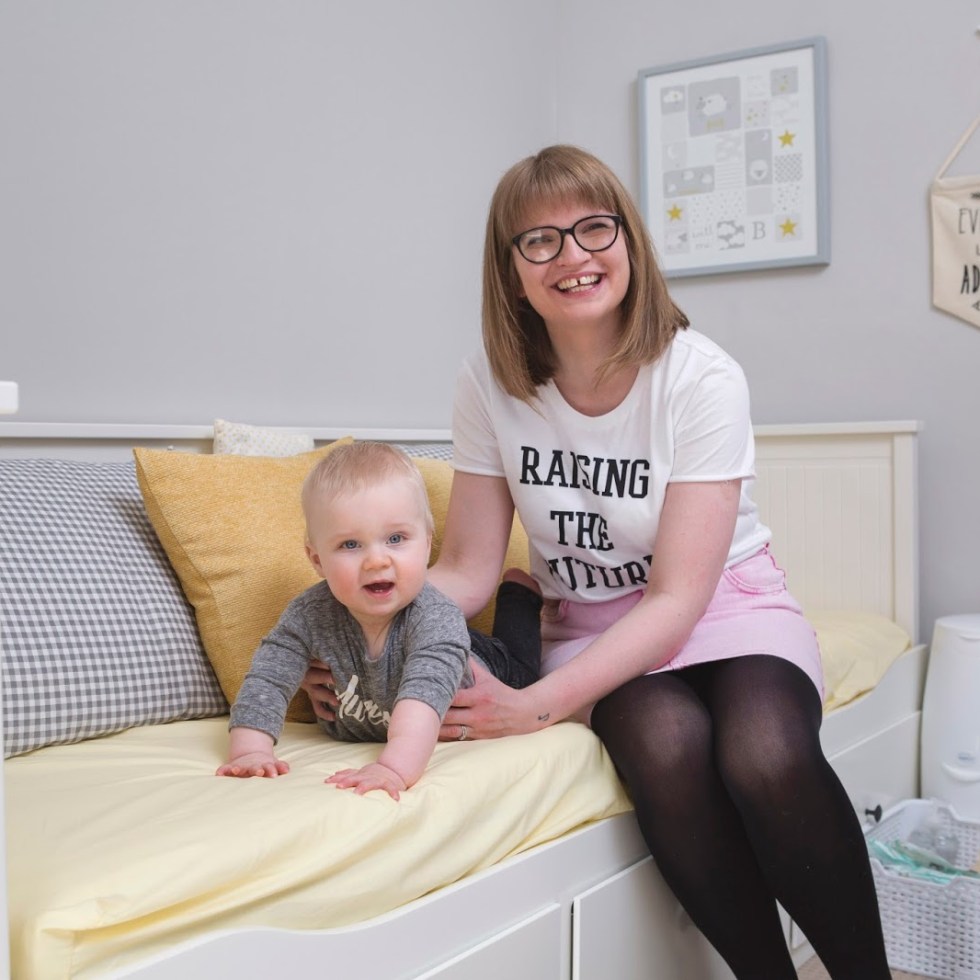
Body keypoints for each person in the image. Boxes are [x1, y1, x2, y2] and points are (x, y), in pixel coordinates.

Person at [303, 145, 891, 978]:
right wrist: (353, 636)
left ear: (629, 242)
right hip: (588, 623)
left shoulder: (700, 377)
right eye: (539, 240)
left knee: (765, 753)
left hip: (724, 607)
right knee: (665, 745)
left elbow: (678, 598)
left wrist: (535, 706)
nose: (572, 255)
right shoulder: (489, 384)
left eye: (593, 229)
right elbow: (469, 567)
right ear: (511, 272)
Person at [218, 441, 541, 800]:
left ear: (426, 544)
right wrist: (250, 749)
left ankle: (520, 598)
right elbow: (268, 677)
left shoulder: (436, 619)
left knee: (523, 668)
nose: (376, 560)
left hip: (483, 667)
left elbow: (421, 702)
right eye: (350, 545)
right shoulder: (308, 614)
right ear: (317, 560)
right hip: (373, 713)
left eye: (396, 539)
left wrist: (393, 768)